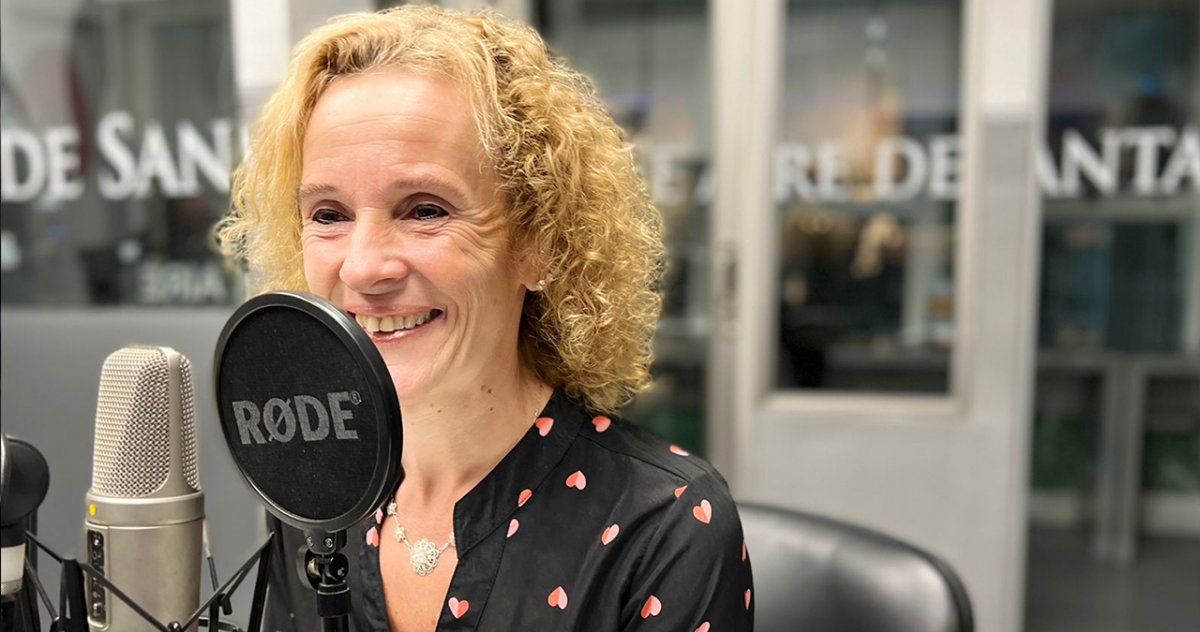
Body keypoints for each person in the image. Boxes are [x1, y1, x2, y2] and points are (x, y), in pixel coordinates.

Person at [217, 6, 753, 631]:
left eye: (424, 210)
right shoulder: (316, 488)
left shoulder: (666, 525)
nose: (362, 268)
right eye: (329, 215)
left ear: (539, 241)